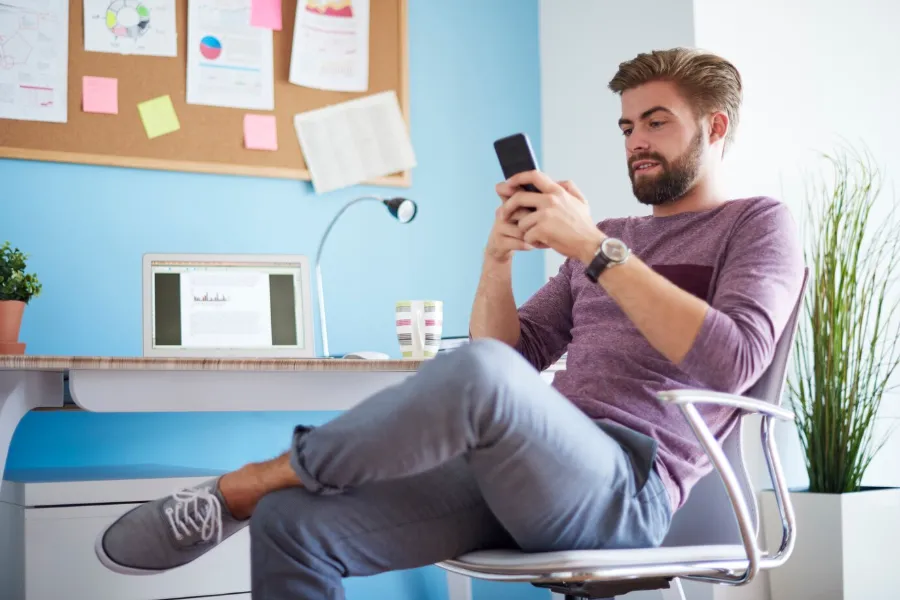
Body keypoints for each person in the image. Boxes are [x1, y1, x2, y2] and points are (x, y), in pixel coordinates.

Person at [94, 47, 804, 598]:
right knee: (291, 528)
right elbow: (507, 358)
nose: (635, 141)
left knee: (463, 373)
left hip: (627, 488)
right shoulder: (612, 232)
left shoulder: (757, 224)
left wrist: (591, 246)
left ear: (714, 127)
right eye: (626, 125)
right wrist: (496, 258)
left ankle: (249, 483)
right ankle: (269, 498)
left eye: (656, 122)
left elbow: (733, 359)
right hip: (526, 473)